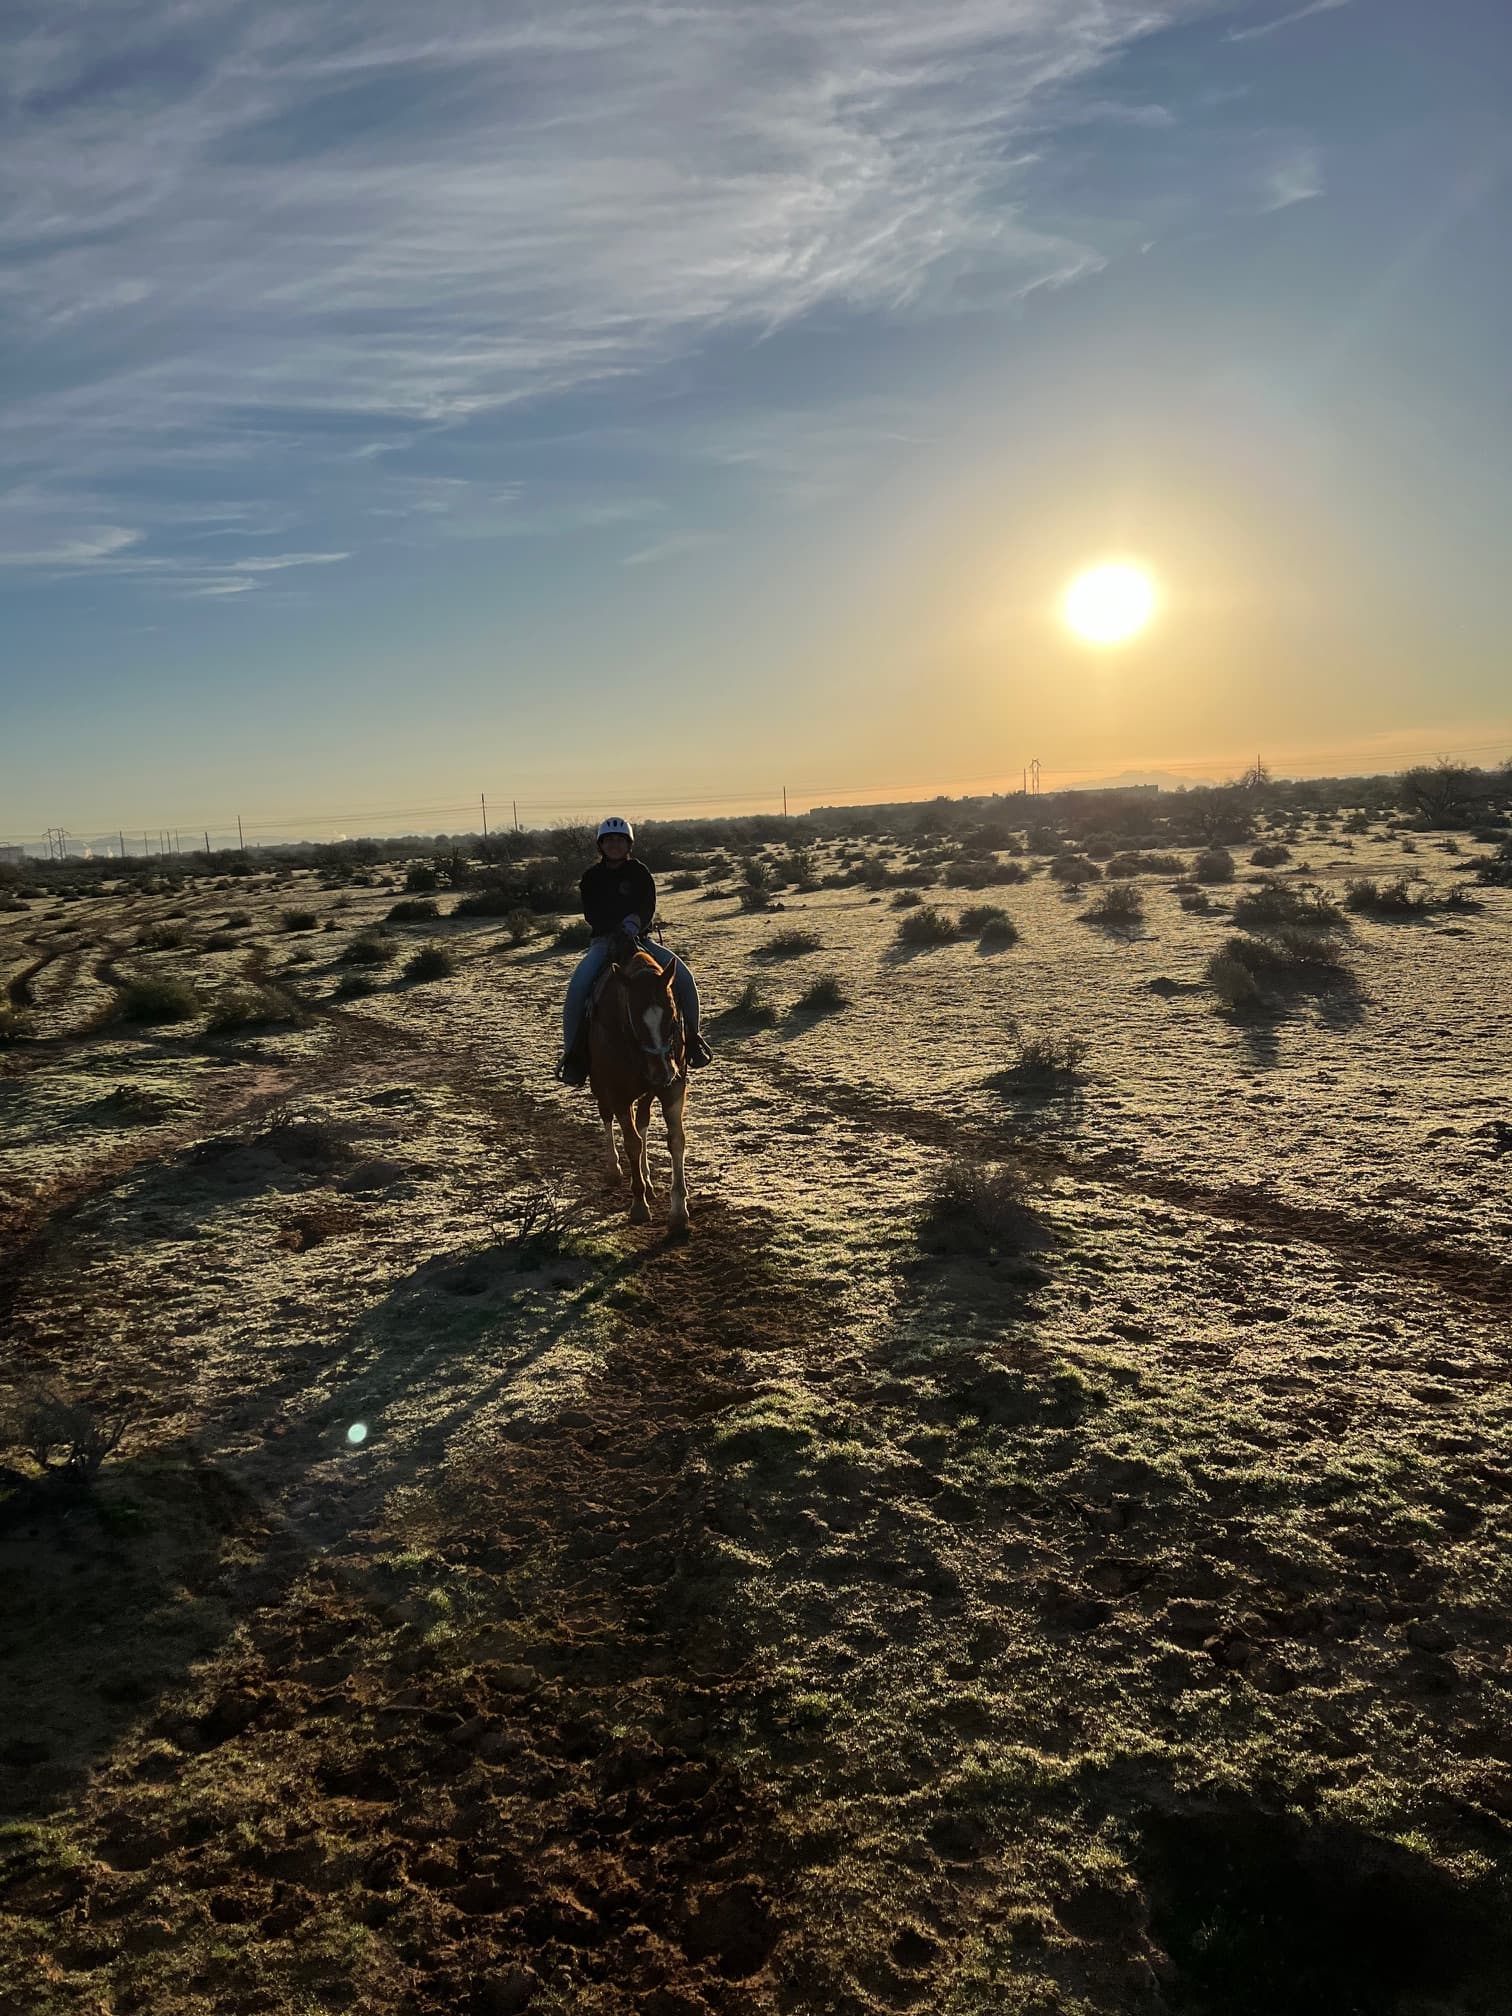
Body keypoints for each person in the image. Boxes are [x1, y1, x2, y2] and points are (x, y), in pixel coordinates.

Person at [556, 816, 712, 1086]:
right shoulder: (591, 877)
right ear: (601, 845)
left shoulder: (639, 872)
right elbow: (591, 912)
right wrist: (614, 928)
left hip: (639, 939)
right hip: (604, 942)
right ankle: (573, 1058)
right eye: (609, 840)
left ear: (628, 844)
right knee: (578, 988)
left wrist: (635, 923)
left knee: (684, 978)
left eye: (620, 840)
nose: (614, 845)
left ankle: (693, 1040)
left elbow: (647, 905)